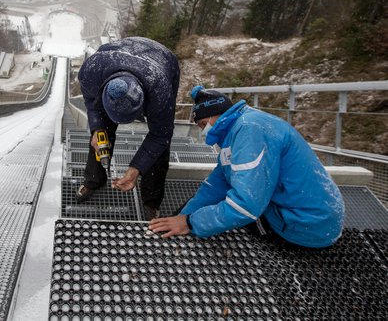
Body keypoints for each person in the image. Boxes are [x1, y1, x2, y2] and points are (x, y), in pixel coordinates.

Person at [148, 85, 345, 249]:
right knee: (205, 217)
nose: (203, 130)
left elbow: (246, 205)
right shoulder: (238, 128)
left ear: (213, 116)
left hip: (307, 225)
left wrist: (191, 223)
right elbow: (217, 185)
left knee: (230, 229)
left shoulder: (250, 130)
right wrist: (183, 216)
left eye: (201, 124)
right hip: (305, 213)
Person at [76, 37, 180, 220]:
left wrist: (135, 169)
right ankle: (94, 180)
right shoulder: (90, 71)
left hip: (162, 61)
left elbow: (160, 135)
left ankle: (151, 200)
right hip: (116, 56)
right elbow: (92, 104)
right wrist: (97, 128)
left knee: (161, 144)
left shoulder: (160, 90)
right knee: (100, 136)